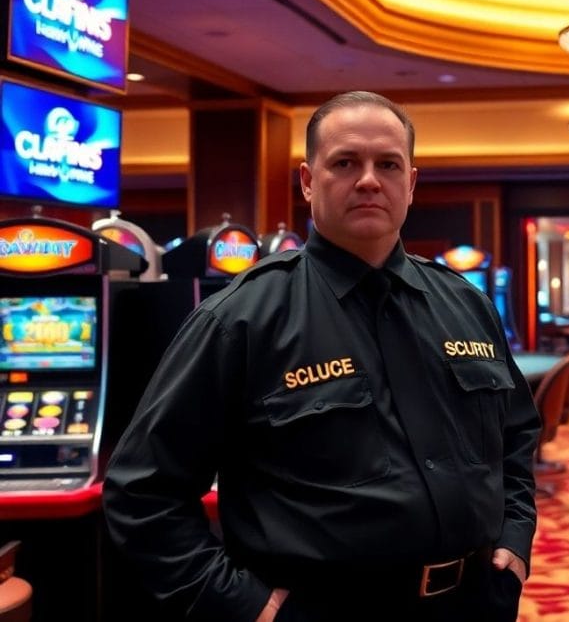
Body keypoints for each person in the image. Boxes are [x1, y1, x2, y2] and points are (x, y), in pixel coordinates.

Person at [103, 91, 541, 622]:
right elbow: (142, 492)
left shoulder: (465, 302)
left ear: (411, 183)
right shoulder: (241, 317)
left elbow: (516, 435)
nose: (368, 180)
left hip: (475, 602)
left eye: (388, 164)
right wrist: (245, 606)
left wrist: (515, 541)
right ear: (308, 181)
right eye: (345, 162)